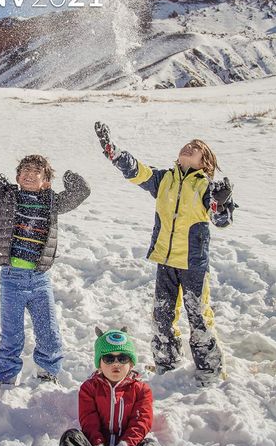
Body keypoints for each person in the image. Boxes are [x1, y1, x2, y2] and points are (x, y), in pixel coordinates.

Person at [95, 123, 236, 385]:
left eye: (196, 148)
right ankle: (166, 363)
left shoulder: (207, 187)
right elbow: (137, 171)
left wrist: (222, 202)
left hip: (193, 263)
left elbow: (221, 220)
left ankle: (209, 370)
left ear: (205, 162)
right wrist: (114, 152)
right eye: (187, 145)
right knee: (162, 315)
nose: (189, 147)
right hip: (165, 261)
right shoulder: (164, 179)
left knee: (198, 315)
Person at [0, 155, 90, 385]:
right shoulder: (6, 197)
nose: (29, 174)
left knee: (49, 333)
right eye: (24, 170)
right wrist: (5, 183)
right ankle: (6, 379)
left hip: (40, 280)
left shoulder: (52, 203)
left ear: (45, 181)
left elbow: (82, 191)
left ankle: (47, 374)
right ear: (18, 177)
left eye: (36, 172)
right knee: (12, 335)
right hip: (11, 279)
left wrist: (67, 176)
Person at [57, 327, 162, 446]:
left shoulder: (141, 390)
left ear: (131, 363)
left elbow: (141, 422)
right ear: (99, 363)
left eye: (122, 358)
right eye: (108, 358)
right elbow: (88, 419)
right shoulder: (89, 388)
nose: (116, 363)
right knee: (71, 436)